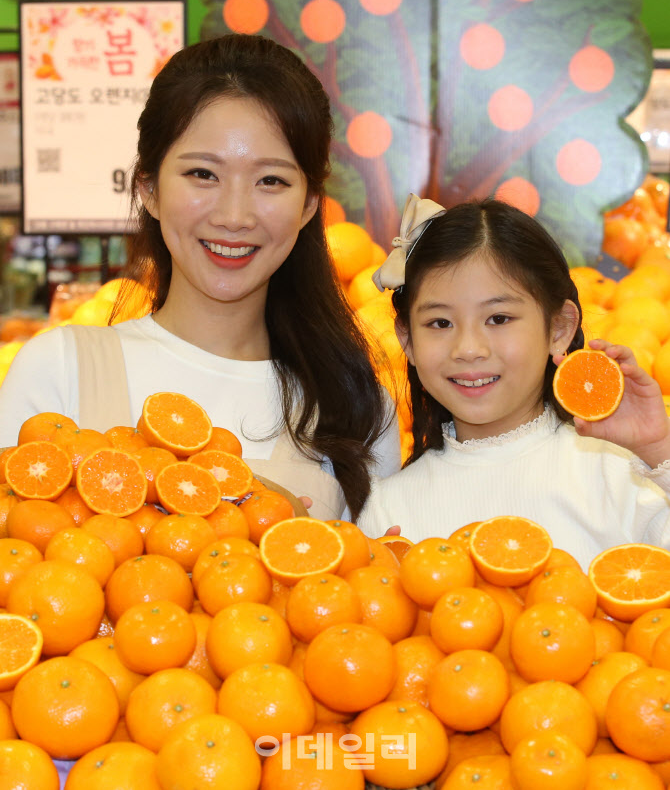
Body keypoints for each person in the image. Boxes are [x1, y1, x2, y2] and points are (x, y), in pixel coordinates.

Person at [0, 34, 400, 522]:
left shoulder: (359, 409)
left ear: (309, 204)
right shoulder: (57, 372)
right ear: (148, 189)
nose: (234, 215)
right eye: (202, 175)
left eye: (270, 180)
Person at [358, 193, 670, 569]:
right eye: (440, 323)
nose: (469, 349)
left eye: (499, 319)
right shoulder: (387, 512)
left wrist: (659, 449)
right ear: (407, 339)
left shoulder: (623, 473)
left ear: (559, 328)